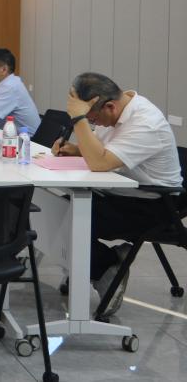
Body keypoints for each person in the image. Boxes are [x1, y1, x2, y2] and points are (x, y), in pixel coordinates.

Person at [52, 72, 182, 316]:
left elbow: (100, 163)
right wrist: (77, 150)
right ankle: (99, 264)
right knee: (53, 209)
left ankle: (107, 269)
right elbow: (104, 153)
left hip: (153, 205)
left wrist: (79, 118)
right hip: (121, 194)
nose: (94, 125)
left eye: (93, 119)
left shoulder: (145, 123)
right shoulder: (115, 113)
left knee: (64, 219)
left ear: (109, 106)